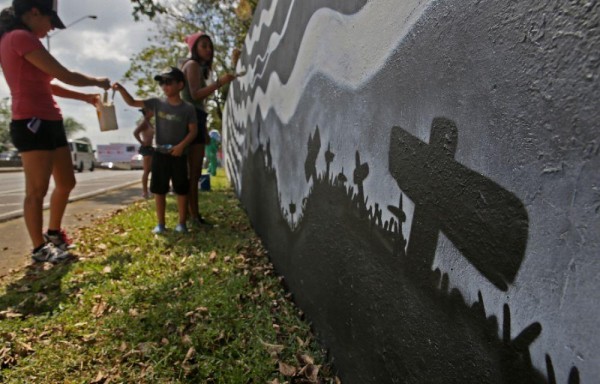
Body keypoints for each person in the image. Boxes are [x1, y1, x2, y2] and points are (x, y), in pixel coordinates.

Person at [0, 0, 110, 263]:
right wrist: (97, 81)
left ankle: (53, 234)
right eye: (51, 22)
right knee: (36, 190)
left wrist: (84, 98)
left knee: (66, 182)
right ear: (34, 12)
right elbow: (64, 74)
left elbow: (50, 83)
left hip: (51, 119)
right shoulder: (18, 38)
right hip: (30, 121)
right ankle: (39, 249)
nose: (50, 30)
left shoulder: (24, 39)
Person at [112, 67, 198, 234]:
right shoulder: (156, 103)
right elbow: (132, 102)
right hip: (159, 153)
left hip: (179, 154)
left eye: (168, 82)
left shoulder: (187, 108)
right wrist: (122, 89)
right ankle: (160, 224)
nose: (164, 86)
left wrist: (181, 146)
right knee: (159, 190)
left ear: (180, 85)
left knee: (181, 189)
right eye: (162, 82)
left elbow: (193, 131)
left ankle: (181, 223)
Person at [181, 31, 237, 226]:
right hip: (191, 120)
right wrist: (220, 82)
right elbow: (196, 95)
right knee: (193, 172)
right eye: (203, 45)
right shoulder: (193, 65)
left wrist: (203, 130)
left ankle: (190, 214)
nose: (208, 49)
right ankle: (194, 216)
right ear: (194, 48)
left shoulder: (195, 67)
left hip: (195, 119)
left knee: (192, 172)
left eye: (209, 46)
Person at [133, 107, 154, 199]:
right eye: (151, 111)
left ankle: (151, 190)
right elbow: (135, 132)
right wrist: (142, 142)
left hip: (151, 148)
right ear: (147, 112)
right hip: (146, 148)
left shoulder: (149, 123)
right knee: (147, 170)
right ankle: (145, 192)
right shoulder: (144, 123)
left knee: (153, 170)